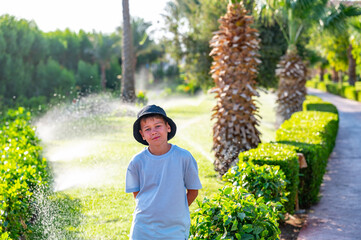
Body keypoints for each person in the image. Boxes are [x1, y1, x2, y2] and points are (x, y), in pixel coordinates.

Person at [125, 104, 202, 240]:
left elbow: (193, 191)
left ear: (168, 127)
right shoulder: (136, 162)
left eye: (158, 126)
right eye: (147, 129)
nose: (153, 131)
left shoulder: (184, 157)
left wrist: (174, 211)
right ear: (142, 135)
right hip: (143, 228)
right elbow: (138, 194)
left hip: (175, 228)